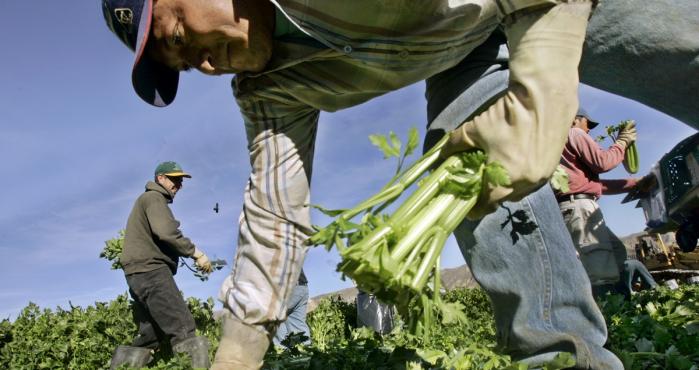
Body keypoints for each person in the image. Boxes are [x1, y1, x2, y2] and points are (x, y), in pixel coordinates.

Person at [99, 0, 699, 369]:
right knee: (468, 176)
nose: (205, 62)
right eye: (185, 66)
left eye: (180, 36)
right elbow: (274, 216)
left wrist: (545, 78)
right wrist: (236, 354)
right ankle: (567, 359)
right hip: (457, 50)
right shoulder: (269, 88)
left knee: (677, 49)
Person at [109, 161, 213, 369]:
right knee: (183, 328)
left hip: (137, 274)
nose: (178, 185)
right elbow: (166, 232)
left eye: (180, 181)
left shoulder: (145, 200)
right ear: (161, 179)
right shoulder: (154, 198)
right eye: (174, 179)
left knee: (150, 335)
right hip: (151, 272)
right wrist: (196, 253)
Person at [554, 108, 639, 298]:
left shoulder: (559, 146)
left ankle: (621, 302)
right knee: (599, 269)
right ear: (575, 120)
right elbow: (603, 162)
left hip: (572, 207)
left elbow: (594, 186)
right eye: (588, 124)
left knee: (616, 252)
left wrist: (634, 184)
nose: (589, 130)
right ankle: (609, 313)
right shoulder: (574, 133)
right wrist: (622, 142)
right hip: (580, 208)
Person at [273, 269, 310, 346]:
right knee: (297, 326)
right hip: (301, 286)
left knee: (273, 318)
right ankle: (305, 354)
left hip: (287, 289)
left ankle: (282, 351)